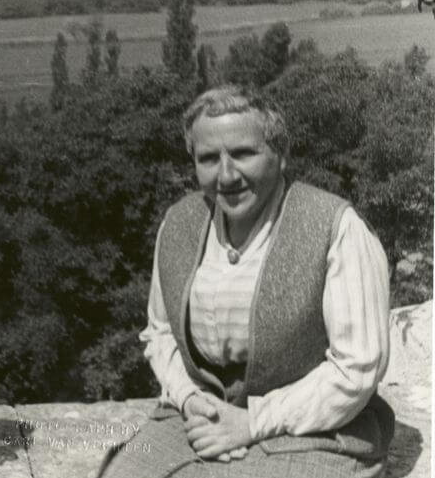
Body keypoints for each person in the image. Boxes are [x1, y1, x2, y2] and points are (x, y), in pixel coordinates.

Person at [99, 86, 394, 478]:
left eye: (242, 154)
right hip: (201, 418)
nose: (226, 175)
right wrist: (190, 399)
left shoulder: (335, 227)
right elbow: (161, 331)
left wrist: (252, 422)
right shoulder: (178, 223)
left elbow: (357, 367)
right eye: (208, 158)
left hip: (313, 426)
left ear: (281, 154)